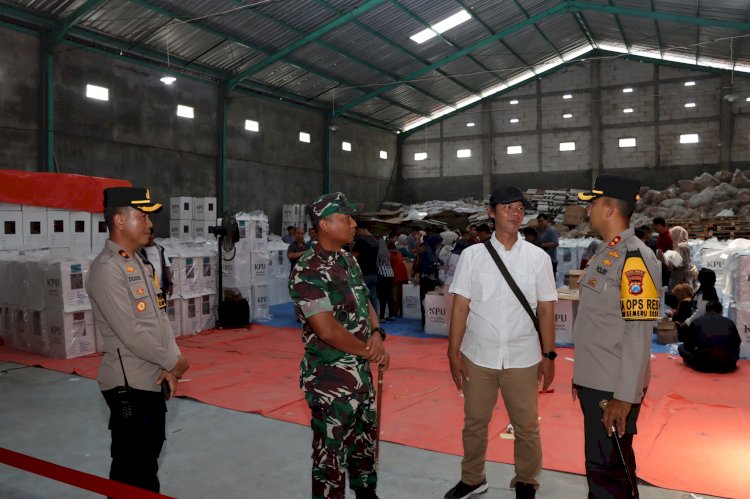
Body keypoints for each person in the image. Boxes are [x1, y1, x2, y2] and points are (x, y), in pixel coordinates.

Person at [445, 186, 557, 499]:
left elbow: (547, 308)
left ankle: (526, 481)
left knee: (526, 426)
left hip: (523, 356)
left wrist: (549, 355)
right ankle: (472, 479)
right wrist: (452, 352)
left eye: (521, 208)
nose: (515, 213)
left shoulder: (537, 258)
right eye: (507, 207)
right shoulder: (472, 256)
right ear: (492, 212)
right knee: (475, 422)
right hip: (478, 355)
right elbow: (461, 307)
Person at [86, 187, 190, 493]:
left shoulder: (139, 263)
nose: (150, 224)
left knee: (146, 466)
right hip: (128, 385)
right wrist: (175, 362)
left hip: (152, 379)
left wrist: (172, 366)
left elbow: (159, 321)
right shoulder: (107, 269)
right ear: (119, 221)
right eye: (142, 216)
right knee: (133, 471)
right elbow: (131, 332)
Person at [288, 192, 389, 499]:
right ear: (324, 224)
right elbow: (327, 329)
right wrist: (369, 350)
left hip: (360, 377)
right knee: (330, 460)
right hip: (330, 381)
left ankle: (366, 493)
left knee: (364, 448)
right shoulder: (307, 270)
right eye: (346, 218)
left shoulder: (348, 260)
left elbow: (366, 302)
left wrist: (376, 333)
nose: (353, 223)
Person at [573, 175, 661, 499]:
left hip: (612, 387)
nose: (589, 210)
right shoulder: (607, 252)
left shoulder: (635, 259)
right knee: (605, 468)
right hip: (596, 379)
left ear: (609, 208)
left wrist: (624, 397)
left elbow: (638, 333)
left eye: (593, 203)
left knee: (607, 473)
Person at [678, 301, 740, 373]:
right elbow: (737, 343)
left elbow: (688, 344)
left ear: (706, 311)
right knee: (736, 349)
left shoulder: (696, 321)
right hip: (726, 364)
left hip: (702, 364)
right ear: (721, 311)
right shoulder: (729, 322)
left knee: (681, 347)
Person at [414, 233, 442, 330]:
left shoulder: (430, 250)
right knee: (426, 301)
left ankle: (427, 322)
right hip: (427, 281)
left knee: (426, 301)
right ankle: (426, 322)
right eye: (438, 243)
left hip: (427, 280)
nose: (439, 245)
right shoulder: (428, 252)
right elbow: (427, 267)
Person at [138, 227, 174, 299]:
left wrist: (170, 284)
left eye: (149, 234)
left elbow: (166, 268)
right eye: (145, 234)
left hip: (160, 288)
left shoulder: (160, 249)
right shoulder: (139, 251)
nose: (148, 236)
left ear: (153, 235)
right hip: (147, 289)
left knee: (161, 308)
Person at [353, 225, 381, 312]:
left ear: (361, 229)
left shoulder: (361, 240)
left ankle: (365, 320)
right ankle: (375, 320)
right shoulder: (375, 241)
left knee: (361, 297)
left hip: (363, 273)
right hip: (373, 272)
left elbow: (354, 256)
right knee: (373, 297)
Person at [375, 236, 396, 321]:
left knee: (381, 297)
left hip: (382, 274)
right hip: (390, 274)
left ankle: (381, 316)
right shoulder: (386, 251)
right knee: (389, 295)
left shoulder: (378, 251)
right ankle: (391, 314)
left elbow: (376, 263)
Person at [388, 239, 408, 317]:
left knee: (394, 296)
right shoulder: (399, 253)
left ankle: (394, 312)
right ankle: (402, 312)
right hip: (404, 276)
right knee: (401, 295)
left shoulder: (389, 254)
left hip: (395, 277)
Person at [653, 217, 673, 287]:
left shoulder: (669, 236)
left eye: (654, 226)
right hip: (660, 266)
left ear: (659, 225)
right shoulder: (660, 235)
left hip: (668, 267)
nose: (653, 228)